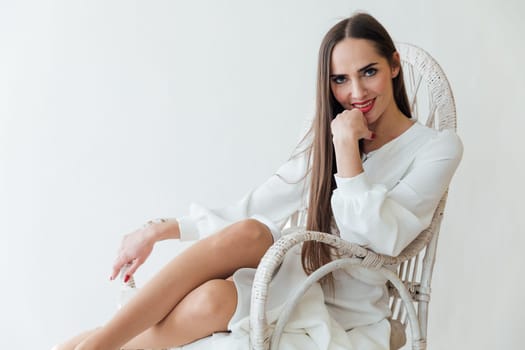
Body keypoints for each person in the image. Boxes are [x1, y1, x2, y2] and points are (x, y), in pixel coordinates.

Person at [54, 12, 462, 350]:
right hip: (292, 282)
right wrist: (158, 230)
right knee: (249, 234)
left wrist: (347, 151)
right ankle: (97, 346)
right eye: (340, 79)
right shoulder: (327, 137)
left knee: (213, 297)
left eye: (368, 72)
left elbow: (378, 236)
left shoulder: (436, 148)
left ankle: (92, 346)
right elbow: (256, 205)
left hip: (347, 311)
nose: (355, 91)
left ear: (393, 66)